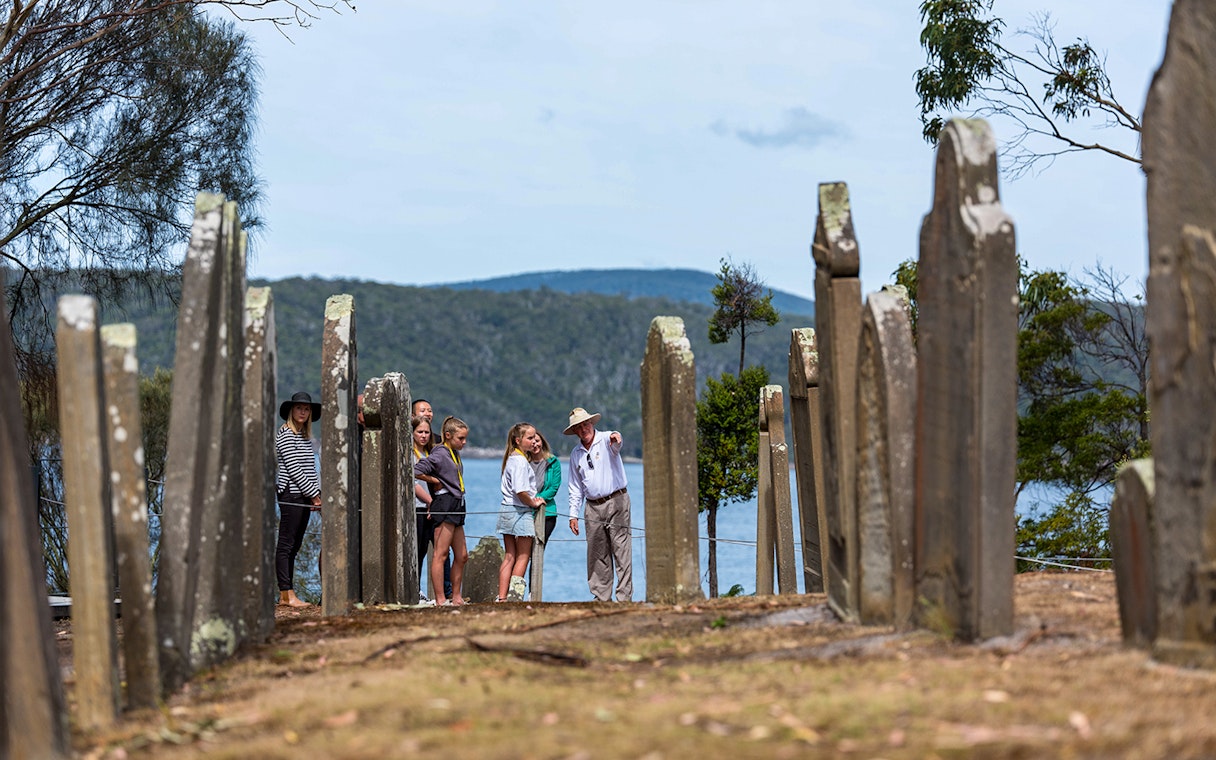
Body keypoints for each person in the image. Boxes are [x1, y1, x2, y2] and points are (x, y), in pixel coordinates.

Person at [565, 407, 632, 602]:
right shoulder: (575, 454)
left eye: (585, 423)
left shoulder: (606, 439)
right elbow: (574, 487)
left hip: (616, 500)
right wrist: (572, 514)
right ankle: (601, 597)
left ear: (591, 423)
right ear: (575, 431)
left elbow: (616, 442)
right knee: (596, 553)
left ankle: (624, 597)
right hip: (592, 506)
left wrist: (617, 438)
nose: (583, 428)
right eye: (578, 426)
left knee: (621, 550)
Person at [413, 415, 470, 606]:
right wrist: (434, 481)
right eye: (460, 438)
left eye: (464, 438)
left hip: (457, 504)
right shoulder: (439, 453)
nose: (464, 442)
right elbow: (416, 469)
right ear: (448, 435)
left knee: (462, 555)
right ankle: (440, 599)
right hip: (444, 503)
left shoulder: (453, 452)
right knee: (441, 553)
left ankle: (456, 596)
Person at [275, 391, 323, 608]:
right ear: (291, 411)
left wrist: (315, 493)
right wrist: (314, 495)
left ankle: (286, 594)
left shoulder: (304, 436)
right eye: (299, 408)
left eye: (306, 409)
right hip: (291, 494)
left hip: (302, 495)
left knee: (294, 545)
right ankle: (286, 593)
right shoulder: (285, 434)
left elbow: (310, 469)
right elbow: (294, 469)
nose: (303, 412)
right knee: (286, 544)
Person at [496, 423, 546, 602]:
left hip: (506, 508)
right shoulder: (520, 461)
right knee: (523, 556)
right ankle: (514, 598)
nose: (534, 441)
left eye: (535, 437)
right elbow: (520, 490)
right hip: (519, 511)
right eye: (529, 438)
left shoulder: (511, 458)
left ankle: (502, 597)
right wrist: (533, 503)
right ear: (518, 440)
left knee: (509, 555)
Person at [410, 414, 437, 596]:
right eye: (420, 432)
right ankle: (414, 589)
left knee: (426, 551)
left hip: (430, 507)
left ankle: (420, 589)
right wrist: (429, 501)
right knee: (416, 551)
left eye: (427, 432)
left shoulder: (430, 454)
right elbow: (413, 482)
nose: (424, 435)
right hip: (418, 507)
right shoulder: (410, 454)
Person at [530, 430, 562, 545]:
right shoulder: (523, 462)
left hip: (548, 512)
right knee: (524, 553)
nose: (535, 444)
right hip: (526, 512)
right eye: (532, 442)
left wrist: (536, 499)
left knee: (538, 549)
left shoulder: (553, 462)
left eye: (537, 441)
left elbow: (554, 488)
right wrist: (529, 501)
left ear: (542, 442)